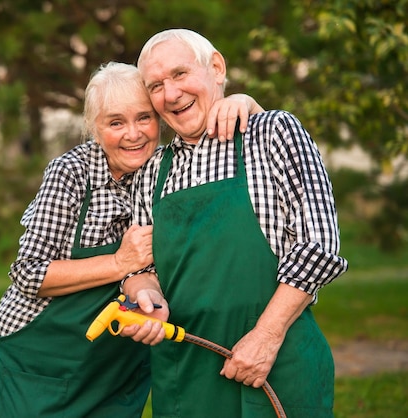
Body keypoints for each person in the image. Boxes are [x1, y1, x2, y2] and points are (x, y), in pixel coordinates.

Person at [0, 61, 263, 417]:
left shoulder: (169, 170)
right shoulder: (72, 173)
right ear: (95, 128)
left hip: (117, 364)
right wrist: (119, 263)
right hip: (42, 363)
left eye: (144, 118)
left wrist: (246, 102)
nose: (133, 134)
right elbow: (29, 274)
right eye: (116, 122)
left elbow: (232, 132)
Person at [121, 29, 349, 418]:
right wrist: (146, 296)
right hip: (186, 371)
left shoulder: (272, 133)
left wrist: (265, 337)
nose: (170, 94)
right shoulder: (151, 172)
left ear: (217, 68)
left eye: (179, 74)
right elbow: (141, 267)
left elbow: (320, 245)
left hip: (280, 360)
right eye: (155, 85)